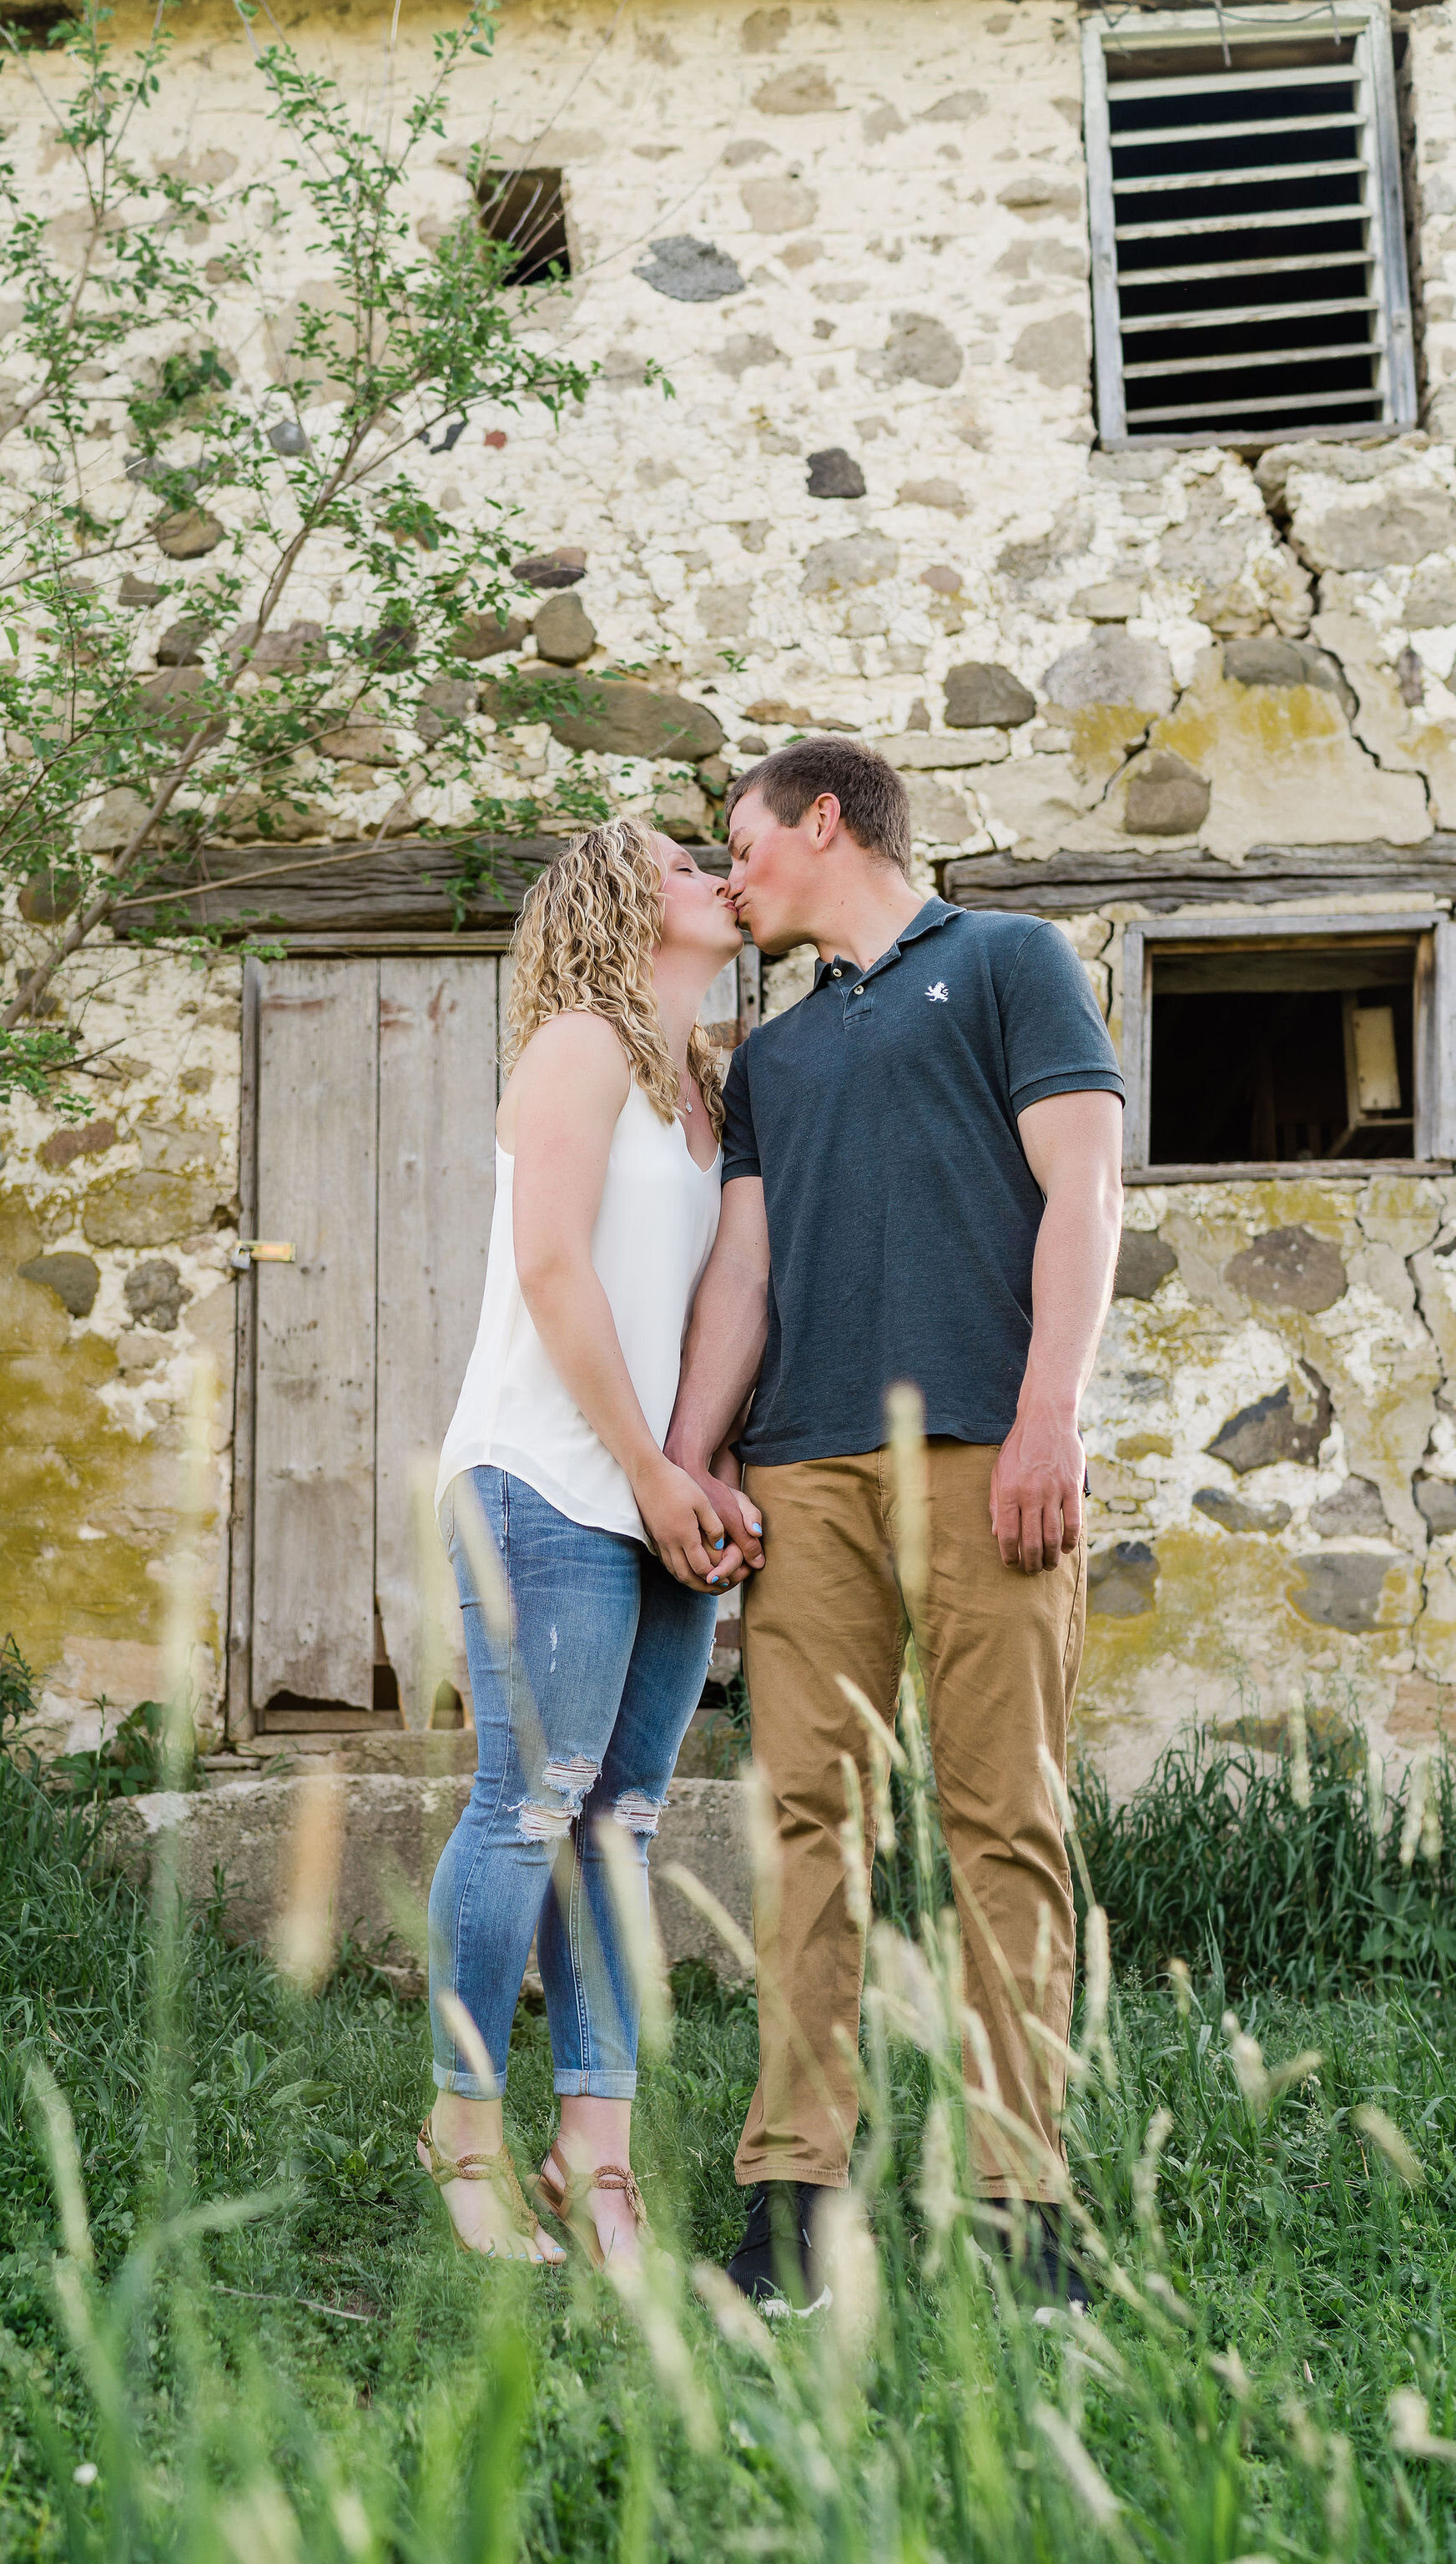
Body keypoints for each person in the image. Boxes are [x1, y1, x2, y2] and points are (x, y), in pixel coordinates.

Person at [665, 735, 1125, 2314]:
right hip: (802, 1479)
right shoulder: (772, 1059)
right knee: (808, 1841)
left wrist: (1050, 1412)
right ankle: (792, 2209)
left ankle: (1021, 2210)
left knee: (1005, 1825)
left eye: (742, 843)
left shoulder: (1006, 963)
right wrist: (687, 1458)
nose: (730, 876)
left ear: (825, 819)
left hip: (989, 1456)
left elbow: (1086, 1190)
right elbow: (743, 1273)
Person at [420, 815, 745, 2267]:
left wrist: (708, 1469)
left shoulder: (706, 1093)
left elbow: (700, 1309)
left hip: (662, 1490)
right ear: (626, 899)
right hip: (548, 1479)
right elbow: (552, 1267)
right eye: (686, 863)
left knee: (620, 1826)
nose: (716, 878)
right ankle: (464, 2141)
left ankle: (593, 2162)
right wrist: (644, 1467)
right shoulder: (579, 1046)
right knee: (528, 1805)